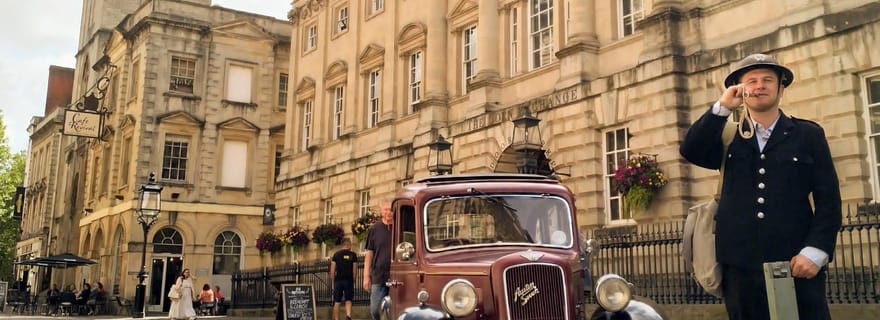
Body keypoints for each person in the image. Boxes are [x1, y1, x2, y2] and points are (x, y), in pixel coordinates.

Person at [680, 53, 842, 320]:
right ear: (741, 90)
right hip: (741, 269)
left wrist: (816, 251)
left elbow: (829, 200)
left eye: (768, 80)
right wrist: (722, 107)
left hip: (797, 264)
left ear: (780, 88)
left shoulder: (807, 135)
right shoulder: (729, 135)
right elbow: (691, 150)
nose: (760, 86)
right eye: (751, 81)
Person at [363, 199, 393, 320]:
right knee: (375, 310)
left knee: (394, 309)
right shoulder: (374, 229)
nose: (389, 212)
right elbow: (369, 254)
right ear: (381, 211)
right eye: (386, 209)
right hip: (379, 275)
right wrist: (366, 276)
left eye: (391, 210)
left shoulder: (399, 227)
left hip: (397, 276)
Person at [330, 237, 357, 320]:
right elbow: (354, 269)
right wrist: (354, 279)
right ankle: (348, 316)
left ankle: (337, 318)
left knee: (337, 301)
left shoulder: (336, 255)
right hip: (348, 280)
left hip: (338, 280)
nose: (351, 245)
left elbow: (332, 269)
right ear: (347, 244)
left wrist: (333, 279)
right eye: (350, 243)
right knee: (348, 299)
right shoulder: (353, 255)